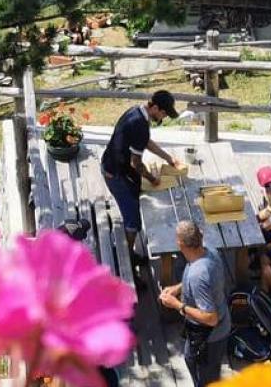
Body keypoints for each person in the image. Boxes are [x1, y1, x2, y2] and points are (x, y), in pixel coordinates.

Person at [102, 90, 182, 255]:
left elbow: (144, 141)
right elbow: (136, 163)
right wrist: (153, 179)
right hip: (115, 174)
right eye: (164, 114)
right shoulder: (140, 125)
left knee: (133, 204)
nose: (163, 118)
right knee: (133, 222)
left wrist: (168, 158)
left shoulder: (135, 111)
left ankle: (127, 251)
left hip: (112, 164)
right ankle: (126, 256)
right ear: (156, 108)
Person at [158, 221, 231, 387]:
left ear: (181, 244)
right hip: (208, 330)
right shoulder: (210, 251)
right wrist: (177, 288)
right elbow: (204, 282)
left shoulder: (198, 275)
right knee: (190, 359)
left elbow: (211, 318)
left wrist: (177, 305)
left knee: (207, 380)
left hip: (210, 337)